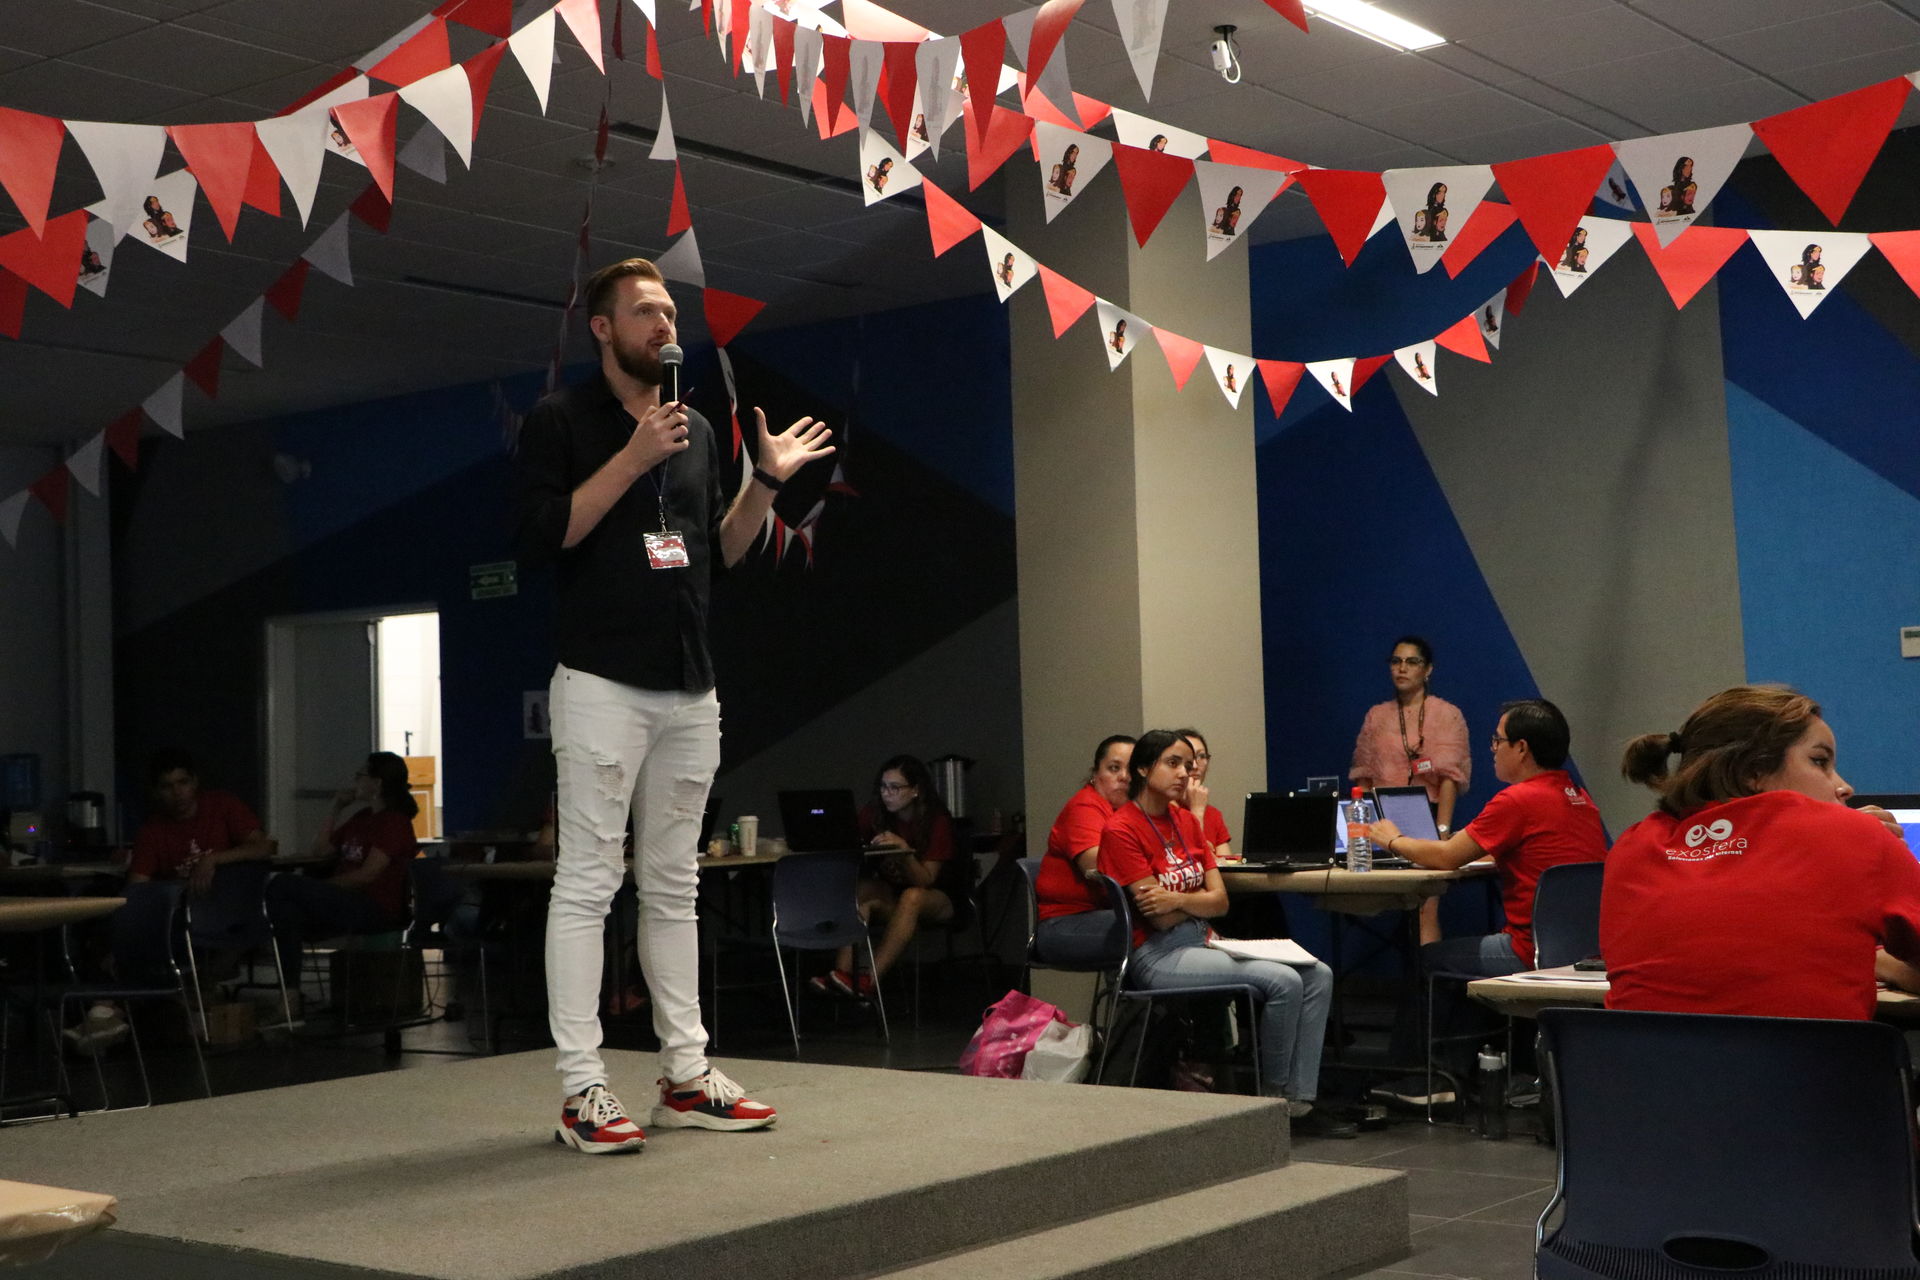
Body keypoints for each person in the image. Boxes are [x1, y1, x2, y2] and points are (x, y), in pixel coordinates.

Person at [515, 256, 832, 1151]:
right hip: (601, 684)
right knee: (586, 884)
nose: (665, 324)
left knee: (674, 886)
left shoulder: (693, 426)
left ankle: (685, 1076)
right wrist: (630, 457)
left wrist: (763, 482)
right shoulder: (560, 420)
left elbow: (721, 554)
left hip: (692, 687)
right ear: (604, 329)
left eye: (669, 311)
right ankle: (583, 1089)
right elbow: (550, 535)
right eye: (645, 312)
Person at [1602, 685, 1920, 1019]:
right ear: (1753, 771)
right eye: (1819, 761)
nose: (1844, 786)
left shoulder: (1631, 847)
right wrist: (1881, 962)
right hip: (1810, 1070)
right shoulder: (1859, 837)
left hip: (1641, 1070)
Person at [1098, 731, 1352, 1137]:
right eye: (1173, 763)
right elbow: (1158, 919)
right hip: (1157, 955)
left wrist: (1175, 898)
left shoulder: (1186, 821)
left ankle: (1299, 1102)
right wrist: (1188, 901)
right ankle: (1273, 1103)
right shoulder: (1122, 829)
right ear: (1144, 770)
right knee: (1284, 980)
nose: (1185, 772)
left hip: (1204, 938)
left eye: (1188, 763)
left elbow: (1220, 902)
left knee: (1318, 973)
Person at [1369, 699, 1606, 975]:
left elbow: (1447, 857)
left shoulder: (1517, 800)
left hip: (1531, 951)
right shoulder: (1578, 796)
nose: (1493, 749)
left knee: (1426, 960)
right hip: (1585, 948)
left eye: (1498, 740)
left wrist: (1392, 839)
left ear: (1521, 748)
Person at [810, 755, 960, 999]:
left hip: (940, 898)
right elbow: (848, 838)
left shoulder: (936, 821)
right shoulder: (875, 814)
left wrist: (904, 852)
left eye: (895, 787)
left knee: (913, 896)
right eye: (883, 787)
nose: (887, 793)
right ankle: (840, 975)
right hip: (894, 896)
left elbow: (926, 880)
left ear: (915, 791)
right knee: (863, 891)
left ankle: (869, 979)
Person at [265, 752, 417, 983]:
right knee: (288, 914)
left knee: (282, 884)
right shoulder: (361, 817)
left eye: (360, 775)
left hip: (374, 906)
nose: (355, 781)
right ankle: (291, 997)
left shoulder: (394, 822)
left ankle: (290, 996)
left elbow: (368, 874)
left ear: (377, 783)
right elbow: (320, 850)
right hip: (344, 900)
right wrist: (335, 808)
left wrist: (321, 888)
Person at [1349, 636, 1470, 869]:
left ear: (1427, 669)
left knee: (1422, 898)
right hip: (1381, 816)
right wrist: (1361, 832)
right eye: (1396, 661)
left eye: (1412, 662)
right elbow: (1363, 776)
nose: (1402, 669)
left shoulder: (1447, 714)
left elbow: (1450, 779)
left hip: (1426, 816)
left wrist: (1442, 832)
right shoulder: (1376, 715)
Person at [1033, 735, 1133, 965]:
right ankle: (1137, 1001)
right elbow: (1098, 867)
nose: (1124, 777)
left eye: (1131, 770)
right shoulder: (1085, 806)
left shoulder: (1129, 813)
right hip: (1063, 924)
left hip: (1105, 915)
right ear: (1095, 774)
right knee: (1159, 933)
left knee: (1178, 927)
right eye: (1114, 768)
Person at [129, 748, 273, 895]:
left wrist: (212, 860)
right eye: (167, 787)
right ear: (157, 792)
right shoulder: (151, 831)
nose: (177, 793)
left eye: (183, 782)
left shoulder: (222, 805)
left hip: (233, 898)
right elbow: (137, 888)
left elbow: (264, 846)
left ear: (195, 782)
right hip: (183, 906)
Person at [1176, 728, 1234, 862]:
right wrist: (1196, 810)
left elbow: (1224, 867)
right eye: (1188, 758)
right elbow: (1188, 866)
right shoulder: (1163, 811)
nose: (1195, 766)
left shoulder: (1213, 814)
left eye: (1201, 756)